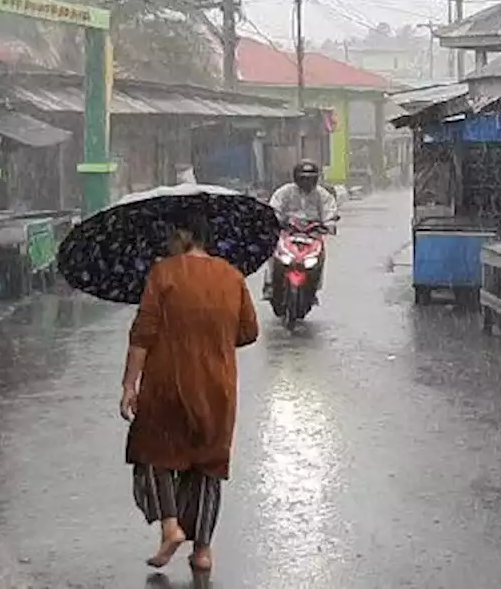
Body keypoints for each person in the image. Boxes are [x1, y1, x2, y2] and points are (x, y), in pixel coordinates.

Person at [120, 210, 260, 574]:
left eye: (170, 234)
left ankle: (170, 525)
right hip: (218, 388)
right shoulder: (231, 276)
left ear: (185, 234)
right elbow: (248, 332)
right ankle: (202, 551)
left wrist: (129, 384)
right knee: (208, 465)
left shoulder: (164, 274)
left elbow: (143, 335)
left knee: (154, 453)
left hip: (167, 383)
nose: (167, 242)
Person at [267, 160, 339, 298]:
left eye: (310, 178)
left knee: (319, 257)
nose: (307, 182)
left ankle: (314, 286)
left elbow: (329, 209)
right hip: (288, 231)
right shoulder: (285, 192)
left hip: (313, 234)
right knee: (274, 252)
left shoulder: (321, 194)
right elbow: (274, 207)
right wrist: (274, 220)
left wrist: (329, 224)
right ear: (296, 177)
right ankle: (271, 283)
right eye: (303, 178)